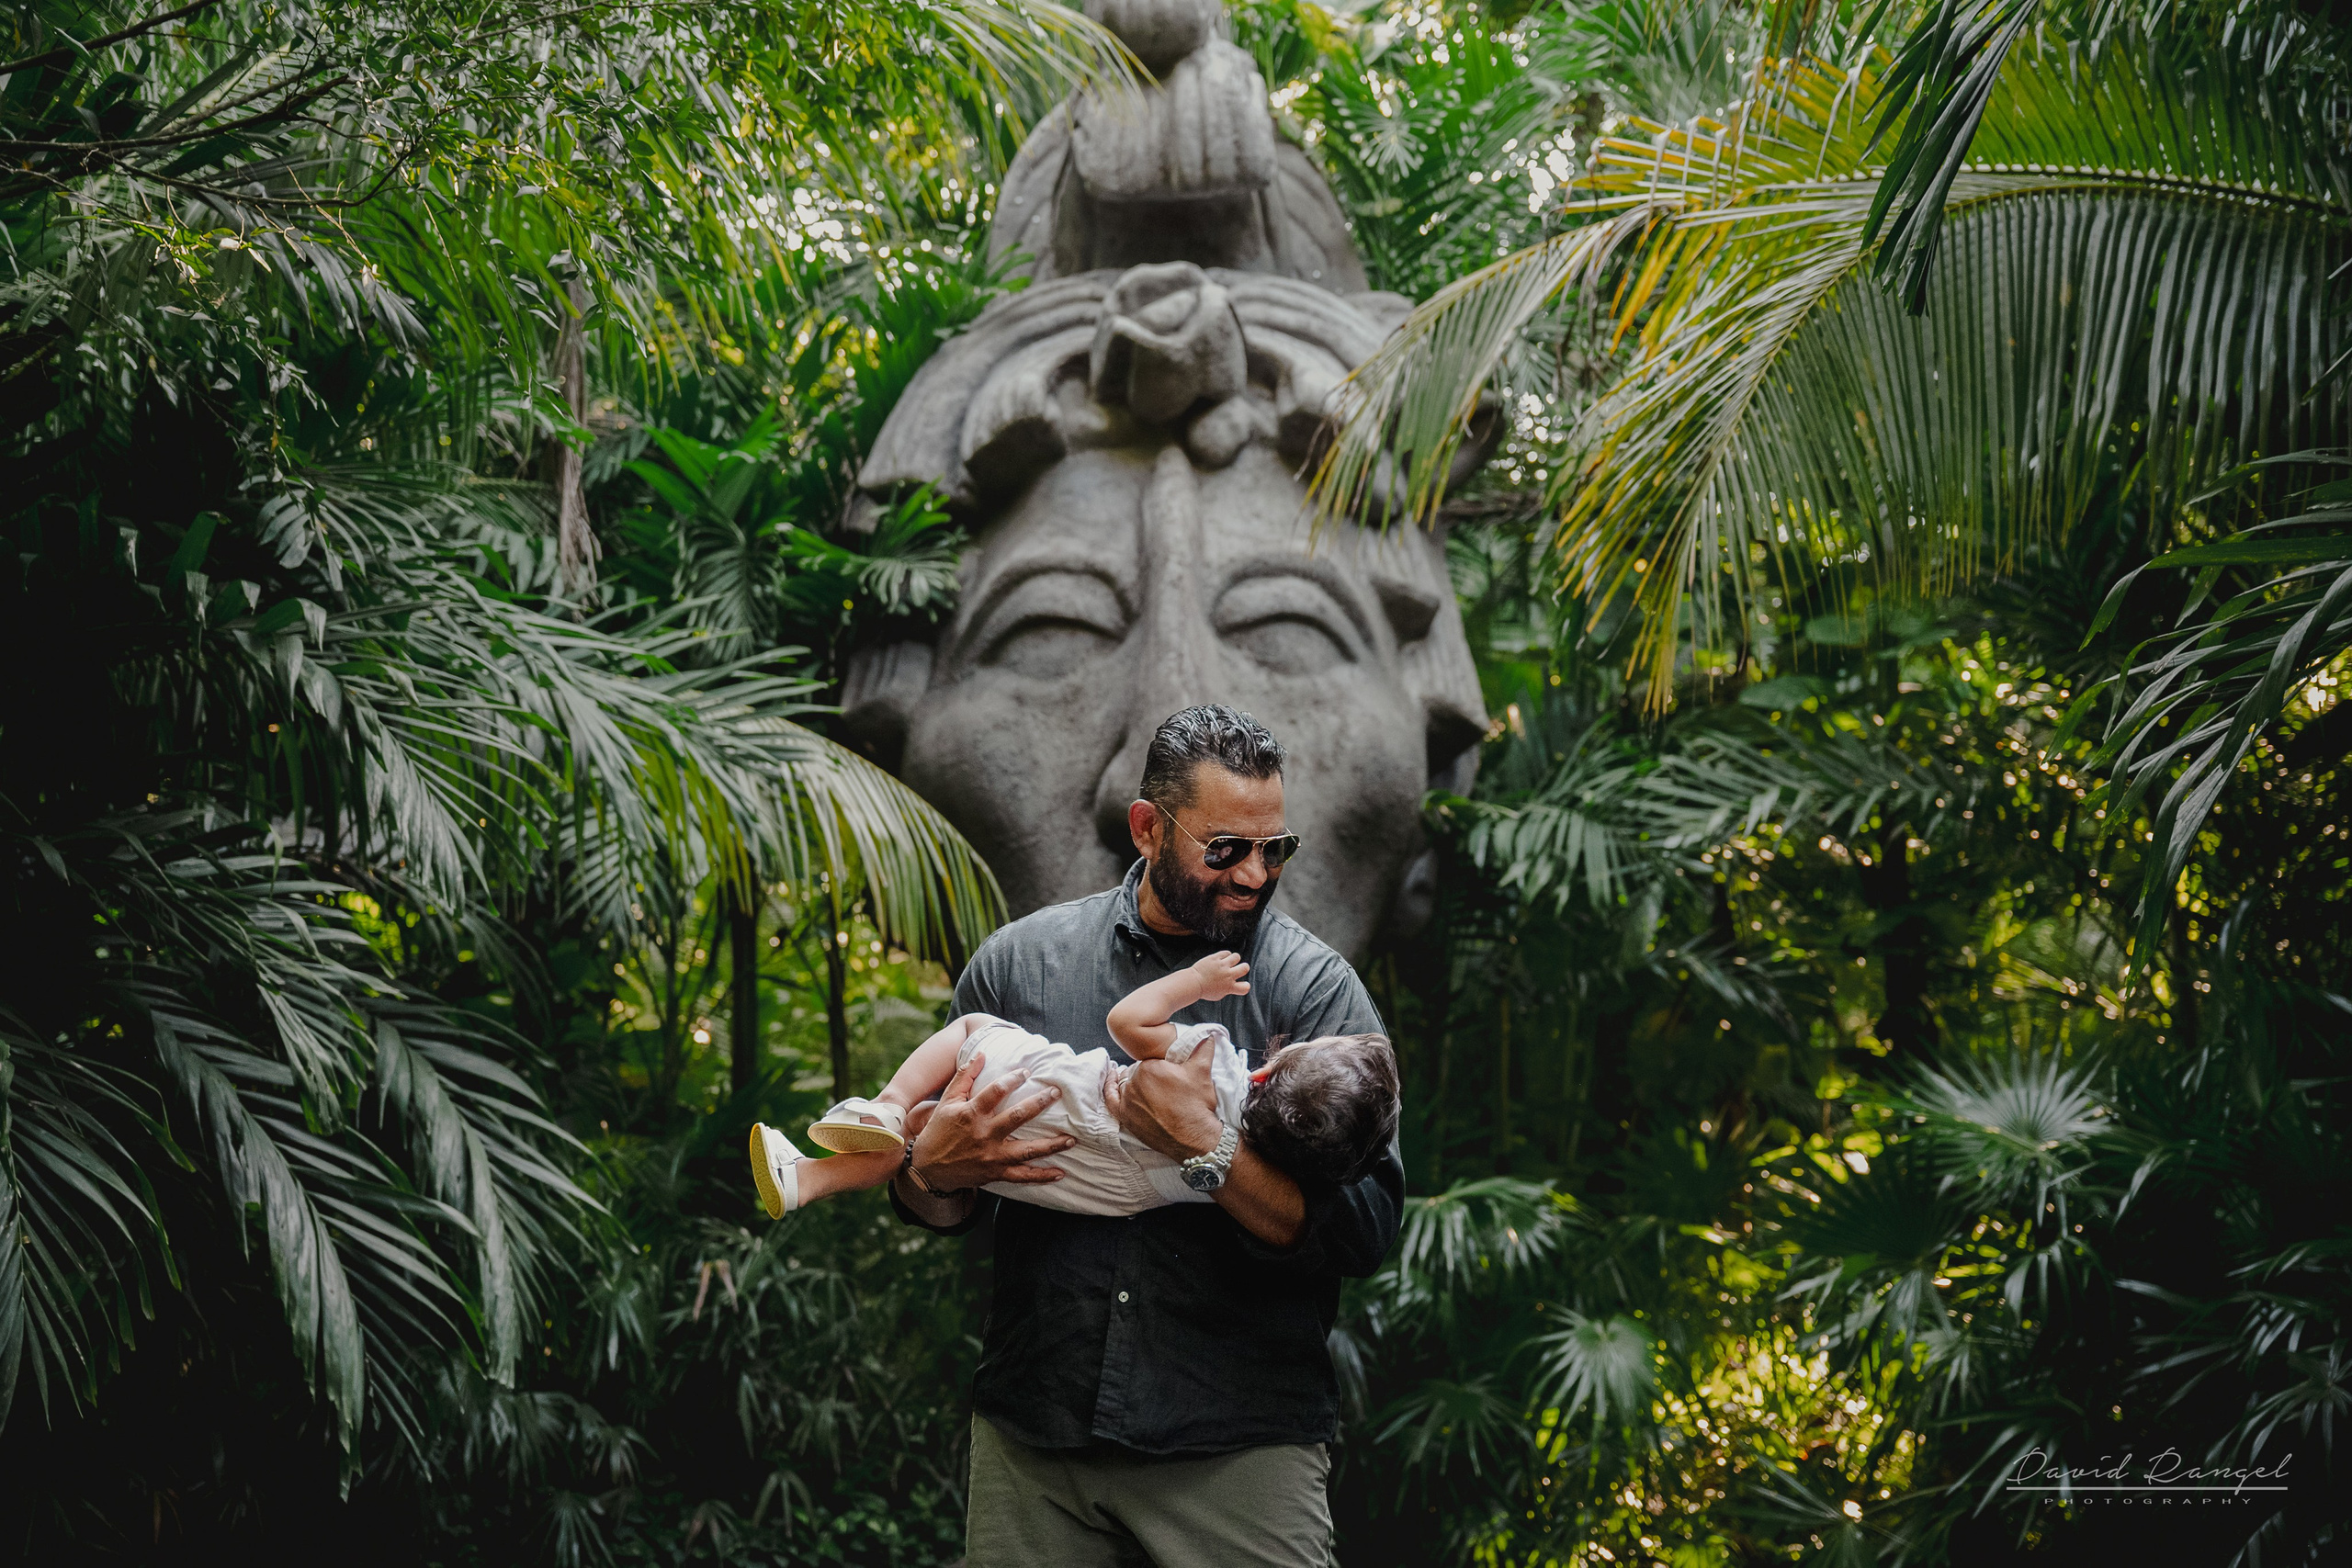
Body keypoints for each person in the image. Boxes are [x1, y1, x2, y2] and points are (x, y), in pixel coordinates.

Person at [885, 705, 1404, 1568]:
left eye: (1275, 848)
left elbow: (1363, 1227)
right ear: (1148, 828)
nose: (1254, 874)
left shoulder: (1318, 993)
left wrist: (1207, 1145)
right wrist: (927, 1174)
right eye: (1226, 848)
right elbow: (937, 1200)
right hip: (1035, 1435)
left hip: (1239, 1447)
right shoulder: (1019, 966)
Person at [744, 949, 1398, 1221]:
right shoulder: (1238, 1175)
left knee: (969, 1036)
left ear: (1263, 1069)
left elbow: (1128, 1020)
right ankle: (806, 1178)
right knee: (923, 1141)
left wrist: (1197, 984)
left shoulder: (1211, 1058)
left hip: (1049, 1097)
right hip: (1060, 1182)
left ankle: (884, 1106)